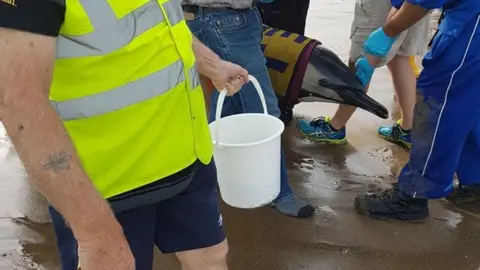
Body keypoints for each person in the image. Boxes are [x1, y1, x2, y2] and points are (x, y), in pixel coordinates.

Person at [0, 0, 250, 269]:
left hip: (186, 151)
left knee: (211, 257)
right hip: (109, 184)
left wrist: (212, 65)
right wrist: (94, 233)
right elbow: (19, 101)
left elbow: (160, 22)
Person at [182, 1, 315, 218]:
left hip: (218, 16)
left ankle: (210, 178)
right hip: (222, 18)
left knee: (226, 102)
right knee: (264, 113)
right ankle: (278, 192)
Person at [353, 0, 480, 221]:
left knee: (441, 101)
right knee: (469, 101)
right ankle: (476, 181)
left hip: (472, 27)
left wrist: (388, 31)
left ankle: (412, 196)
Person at [296, 0, 431, 149]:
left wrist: (387, 30)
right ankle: (408, 129)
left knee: (362, 59)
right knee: (401, 56)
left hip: (384, 5)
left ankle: (334, 128)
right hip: (420, 5)